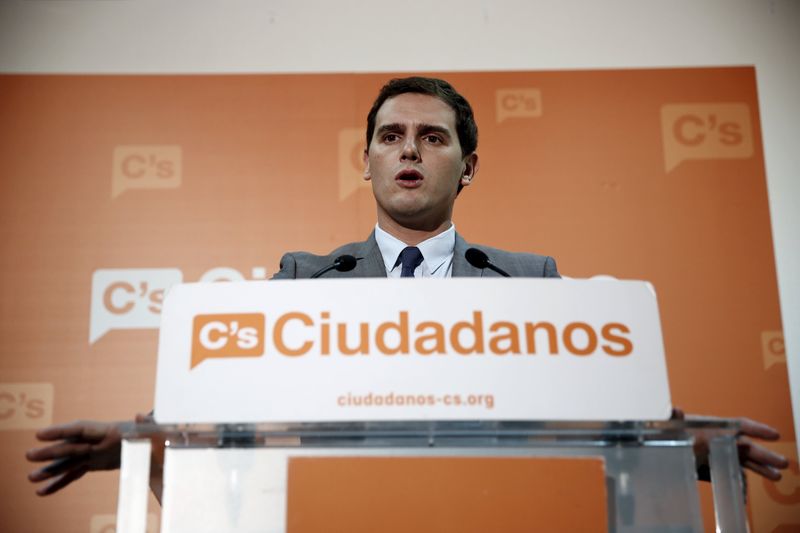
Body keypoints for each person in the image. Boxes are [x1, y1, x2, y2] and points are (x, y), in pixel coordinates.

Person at [26, 76, 788, 499]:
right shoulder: (301, 281)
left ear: (469, 163)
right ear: (366, 162)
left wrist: (682, 444)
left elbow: (604, 413)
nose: (409, 151)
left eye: (433, 136)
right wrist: (136, 442)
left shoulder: (534, 283)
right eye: (391, 137)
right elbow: (214, 401)